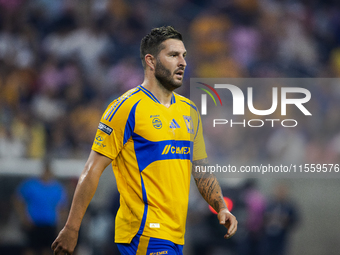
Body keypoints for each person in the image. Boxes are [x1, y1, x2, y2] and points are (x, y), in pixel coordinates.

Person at [51, 26, 237, 255]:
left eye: (184, 55)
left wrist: (221, 207)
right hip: (143, 232)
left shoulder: (190, 111)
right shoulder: (126, 108)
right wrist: (71, 227)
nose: (182, 62)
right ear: (150, 61)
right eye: (173, 55)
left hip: (175, 235)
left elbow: (200, 171)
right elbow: (92, 169)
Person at [15, 160, 67, 255]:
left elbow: (62, 208)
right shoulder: (31, 185)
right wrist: (23, 217)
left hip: (50, 224)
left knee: (47, 250)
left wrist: (60, 225)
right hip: (33, 223)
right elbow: (18, 200)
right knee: (30, 249)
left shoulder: (57, 188)